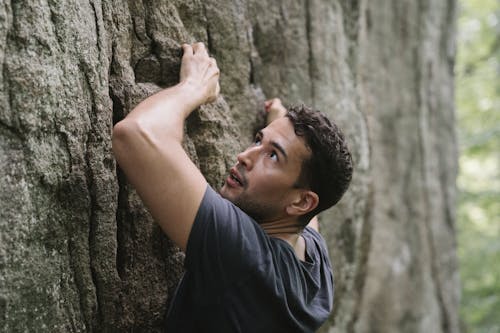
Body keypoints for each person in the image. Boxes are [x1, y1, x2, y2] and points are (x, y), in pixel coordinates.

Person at [112, 42, 353, 332]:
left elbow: (136, 135)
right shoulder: (313, 264)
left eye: (272, 156)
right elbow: (311, 218)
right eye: (257, 140)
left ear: (301, 202)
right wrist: (277, 127)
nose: (244, 156)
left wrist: (193, 87)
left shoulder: (243, 256)